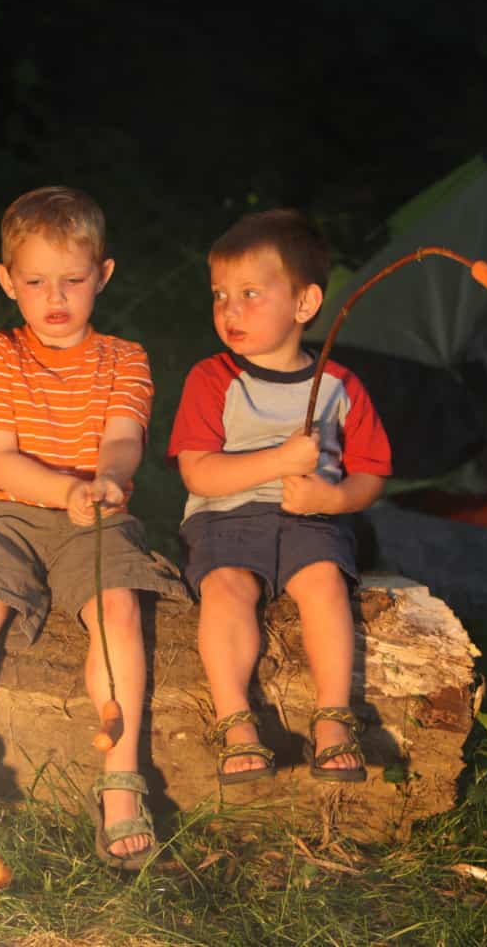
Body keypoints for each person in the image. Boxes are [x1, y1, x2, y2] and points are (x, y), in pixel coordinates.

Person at [0, 186, 187, 870]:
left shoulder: (126, 358)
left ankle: (120, 779)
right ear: (8, 282)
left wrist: (106, 482)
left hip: (93, 513)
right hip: (3, 510)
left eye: (72, 280)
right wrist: (64, 489)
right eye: (35, 282)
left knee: (117, 609)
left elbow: (124, 439)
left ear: (103, 275)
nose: (54, 297)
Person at [167, 208, 391, 786]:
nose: (229, 310)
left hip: (311, 517)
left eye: (248, 293)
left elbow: (370, 476)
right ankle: (235, 719)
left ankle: (334, 718)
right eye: (219, 295)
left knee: (322, 582)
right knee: (226, 587)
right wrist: (277, 462)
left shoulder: (341, 387)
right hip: (226, 517)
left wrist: (330, 499)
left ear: (305, 304)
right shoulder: (212, 378)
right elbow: (198, 474)